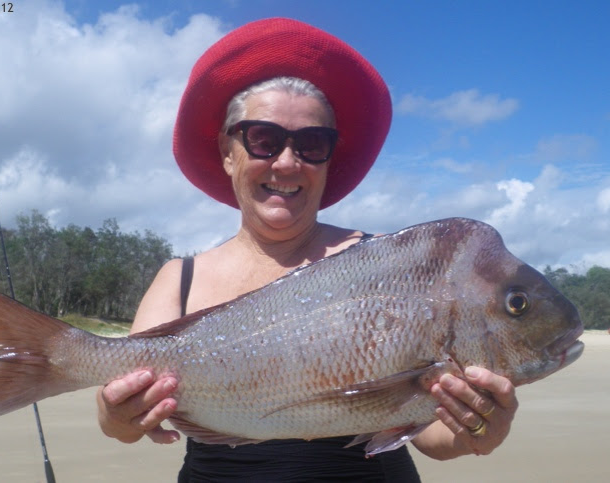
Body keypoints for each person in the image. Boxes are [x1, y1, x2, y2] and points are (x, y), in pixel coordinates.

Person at [96, 18, 518, 481]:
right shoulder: (180, 279)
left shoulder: (387, 269)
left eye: (312, 144)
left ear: (329, 159)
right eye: (263, 139)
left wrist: (477, 429)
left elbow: (425, 432)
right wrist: (119, 415)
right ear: (228, 152)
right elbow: (118, 418)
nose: (286, 162)